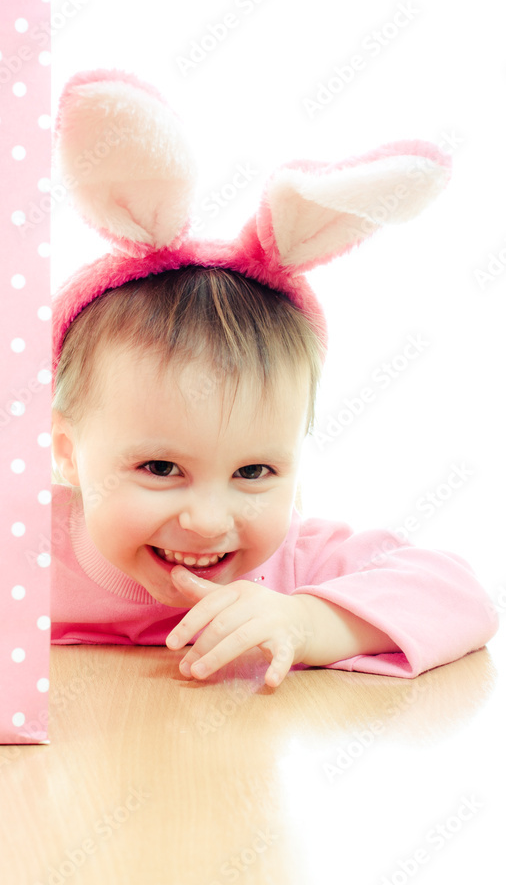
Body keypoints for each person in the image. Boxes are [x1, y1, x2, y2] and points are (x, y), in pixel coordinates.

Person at [48, 68, 498, 687]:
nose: (209, 520)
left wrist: (309, 621)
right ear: (68, 454)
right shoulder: (12, 546)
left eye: (254, 472)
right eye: (159, 469)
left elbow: (460, 596)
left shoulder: (287, 565)